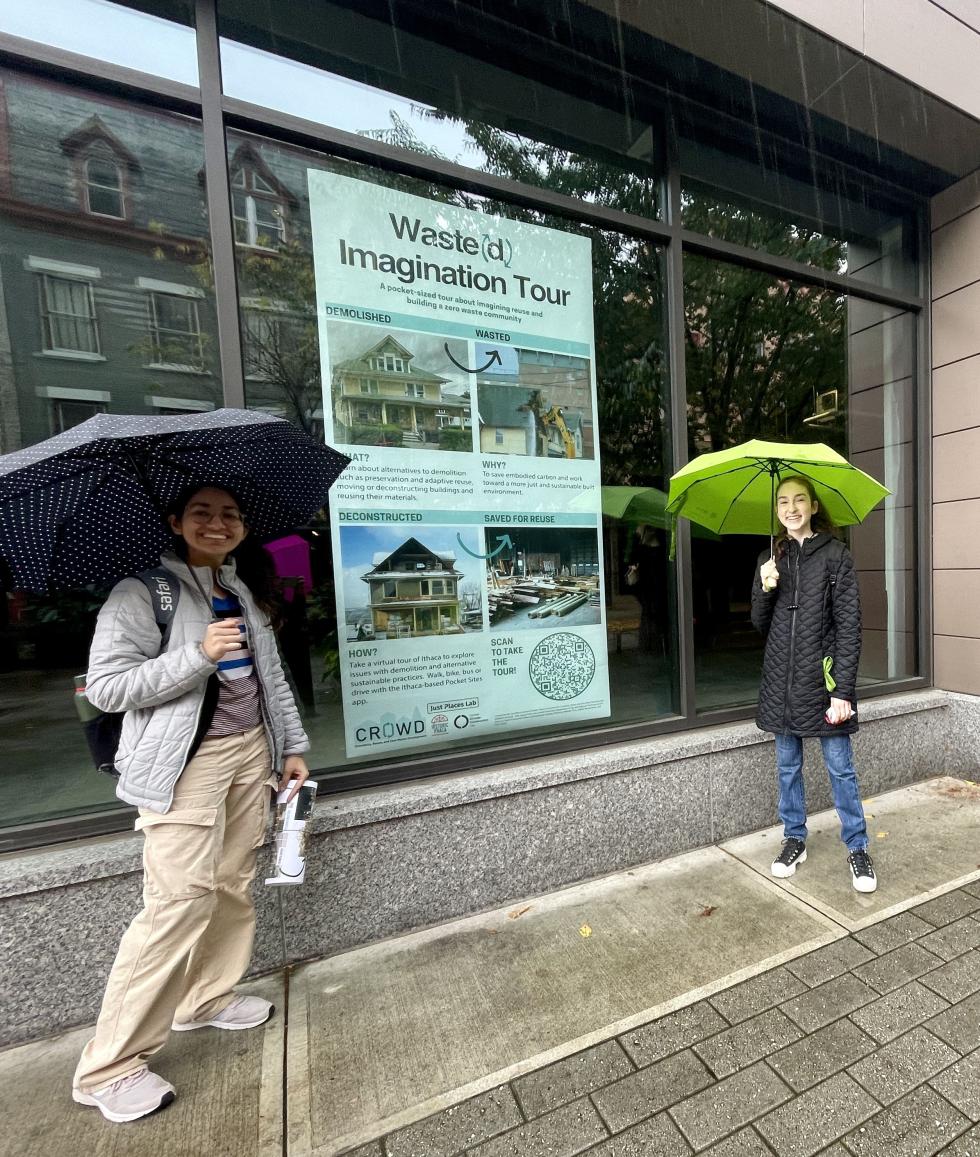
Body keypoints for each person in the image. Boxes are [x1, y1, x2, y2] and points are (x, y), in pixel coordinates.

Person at [72, 484, 310, 1123]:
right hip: (185, 769)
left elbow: (272, 679)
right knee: (177, 904)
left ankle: (206, 999)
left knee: (231, 885)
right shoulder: (142, 592)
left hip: (249, 755)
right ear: (176, 522)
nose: (218, 523)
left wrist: (291, 746)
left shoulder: (237, 589)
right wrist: (197, 656)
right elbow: (108, 688)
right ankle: (108, 1067)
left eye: (229, 514)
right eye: (202, 513)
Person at [750, 475, 877, 894]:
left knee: (841, 769)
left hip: (823, 684)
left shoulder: (836, 555)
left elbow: (849, 627)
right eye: (783, 501)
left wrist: (842, 691)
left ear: (814, 506)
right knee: (788, 767)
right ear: (777, 511)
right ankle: (794, 839)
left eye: (799, 500)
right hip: (782, 684)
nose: (791, 508)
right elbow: (759, 623)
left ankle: (857, 847)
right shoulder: (771, 558)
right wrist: (764, 587)